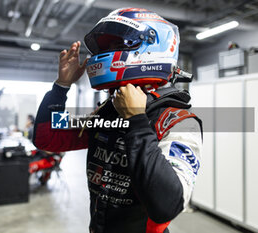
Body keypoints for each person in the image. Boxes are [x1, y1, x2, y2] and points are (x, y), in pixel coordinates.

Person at [33, 8, 202, 233]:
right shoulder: (109, 110)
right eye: (106, 47)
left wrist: (136, 121)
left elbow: (166, 206)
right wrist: (61, 87)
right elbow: (48, 139)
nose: (108, 52)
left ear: (154, 46)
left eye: (117, 45)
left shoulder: (178, 120)